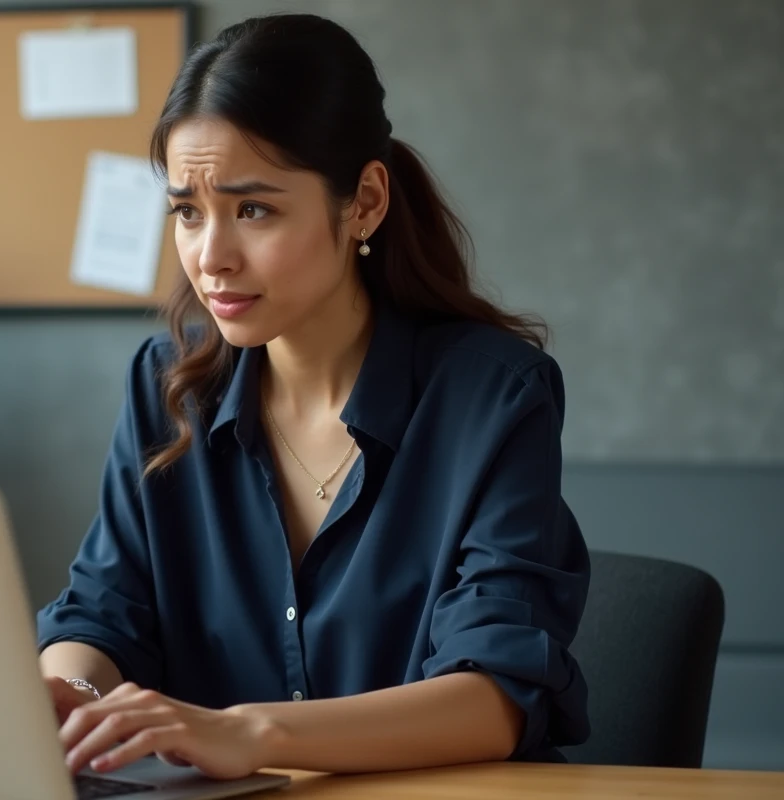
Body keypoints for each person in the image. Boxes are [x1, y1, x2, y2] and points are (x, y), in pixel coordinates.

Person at [36, 12, 590, 780]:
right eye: (187, 212)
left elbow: (493, 696)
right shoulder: (167, 386)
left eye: (253, 209)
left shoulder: (493, 396)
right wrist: (67, 692)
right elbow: (101, 614)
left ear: (363, 202)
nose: (211, 257)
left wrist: (253, 733)